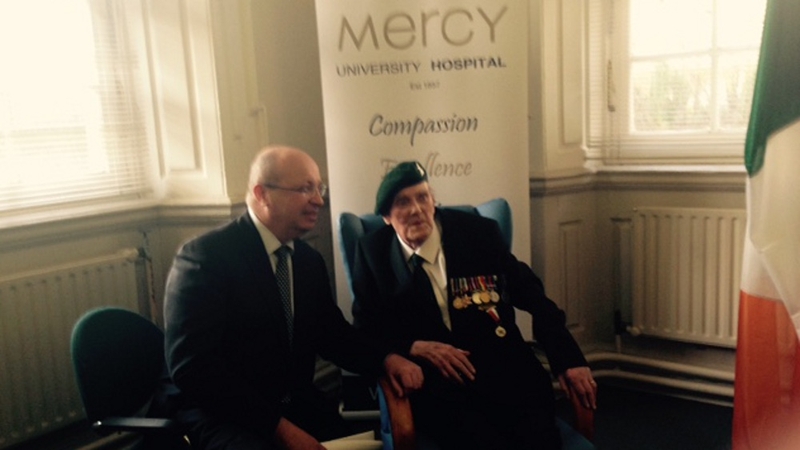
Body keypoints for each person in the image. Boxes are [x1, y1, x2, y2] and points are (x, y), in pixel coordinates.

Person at [163, 146, 423, 450]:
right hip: (224, 416)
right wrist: (278, 429)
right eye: (305, 189)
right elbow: (195, 369)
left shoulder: (306, 261)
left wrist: (386, 359)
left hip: (294, 406)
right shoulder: (205, 259)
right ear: (262, 194)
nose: (319, 200)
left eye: (318, 187)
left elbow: (333, 334)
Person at [351, 161, 597, 450]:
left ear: (433, 201)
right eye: (403, 202)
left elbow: (532, 295)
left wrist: (568, 358)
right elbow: (365, 328)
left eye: (423, 197)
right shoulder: (372, 252)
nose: (416, 209)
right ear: (387, 217)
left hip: (506, 375)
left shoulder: (477, 234)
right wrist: (413, 346)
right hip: (438, 388)